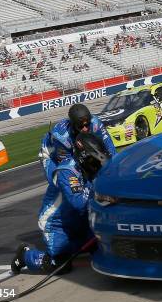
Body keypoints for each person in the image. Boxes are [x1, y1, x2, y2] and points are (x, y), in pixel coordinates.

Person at [11, 133, 111, 274]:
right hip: (56, 224)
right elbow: (80, 204)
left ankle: (77, 244)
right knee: (60, 265)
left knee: (101, 245)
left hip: (77, 220)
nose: (98, 166)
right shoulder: (67, 171)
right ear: (85, 157)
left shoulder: (89, 170)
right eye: (95, 161)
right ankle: (25, 255)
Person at [39, 103, 116, 179]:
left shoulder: (96, 123)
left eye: (87, 125)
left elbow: (108, 145)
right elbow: (67, 164)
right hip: (52, 151)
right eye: (81, 126)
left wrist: (114, 165)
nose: (85, 129)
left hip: (75, 147)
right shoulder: (62, 136)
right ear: (73, 124)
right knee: (58, 181)